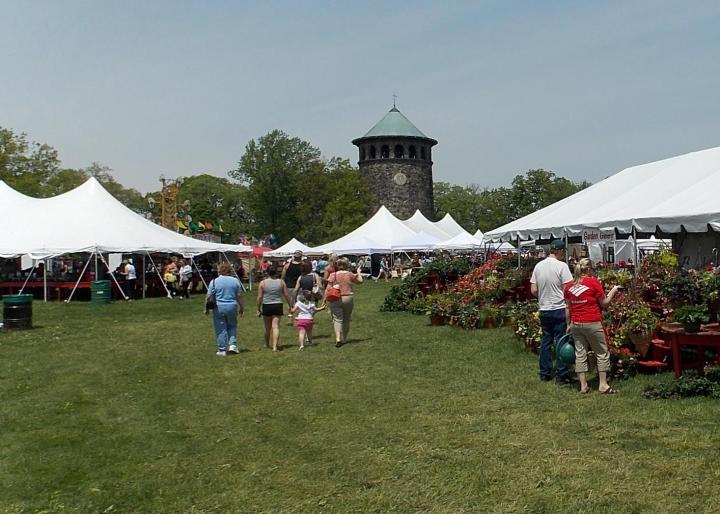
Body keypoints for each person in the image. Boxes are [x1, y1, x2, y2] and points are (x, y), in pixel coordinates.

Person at [564, 258, 622, 394]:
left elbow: (567, 307)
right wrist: (613, 290)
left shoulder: (568, 286)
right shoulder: (594, 282)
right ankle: (603, 384)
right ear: (589, 269)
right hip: (592, 321)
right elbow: (605, 303)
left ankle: (583, 386)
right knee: (601, 352)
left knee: (580, 354)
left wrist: (568, 324)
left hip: (576, 323)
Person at [530, 239, 574, 384]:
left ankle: (545, 372)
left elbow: (534, 290)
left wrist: (543, 296)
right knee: (561, 341)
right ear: (560, 251)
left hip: (544, 308)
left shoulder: (538, 266)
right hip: (559, 308)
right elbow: (568, 289)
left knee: (546, 341)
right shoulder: (562, 266)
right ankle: (562, 374)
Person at [206, 262, 244, 356]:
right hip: (232, 305)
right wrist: (242, 308)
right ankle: (232, 345)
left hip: (219, 307)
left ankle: (222, 349)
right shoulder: (235, 281)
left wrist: (205, 308)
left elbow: (208, 296)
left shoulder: (214, 281)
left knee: (220, 328)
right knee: (232, 326)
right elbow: (239, 296)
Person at [326, 257, 363, 347]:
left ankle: (338, 338)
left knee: (337, 319)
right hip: (347, 297)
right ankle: (345, 338)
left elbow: (328, 288)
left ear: (337, 265)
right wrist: (358, 272)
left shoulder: (333, 275)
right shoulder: (349, 274)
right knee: (346, 319)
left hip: (335, 298)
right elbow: (360, 281)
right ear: (347, 265)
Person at [257, 265, 291, 352]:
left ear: (267, 272)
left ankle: (267, 344)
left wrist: (258, 308)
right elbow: (286, 295)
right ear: (276, 272)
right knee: (275, 326)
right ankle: (275, 346)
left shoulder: (262, 283)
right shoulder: (281, 282)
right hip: (278, 305)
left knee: (267, 327)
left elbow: (260, 297)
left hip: (267, 305)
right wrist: (290, 305)